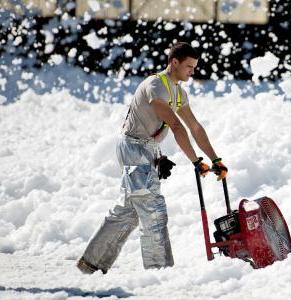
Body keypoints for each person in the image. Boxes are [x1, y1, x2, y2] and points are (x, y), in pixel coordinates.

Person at [77, 42, 227, 274]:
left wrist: (215, 160)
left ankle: (91, 263)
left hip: (147, 149)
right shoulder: (156, 85)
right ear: (174, 62)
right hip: (134, 148)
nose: (192, 71)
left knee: (129, 210)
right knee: (153, 209)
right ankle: (160, 272)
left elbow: (195, 127)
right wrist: (196, 161)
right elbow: (176, 126)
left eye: (194, 67)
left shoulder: (179, 92)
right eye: (189, 66)